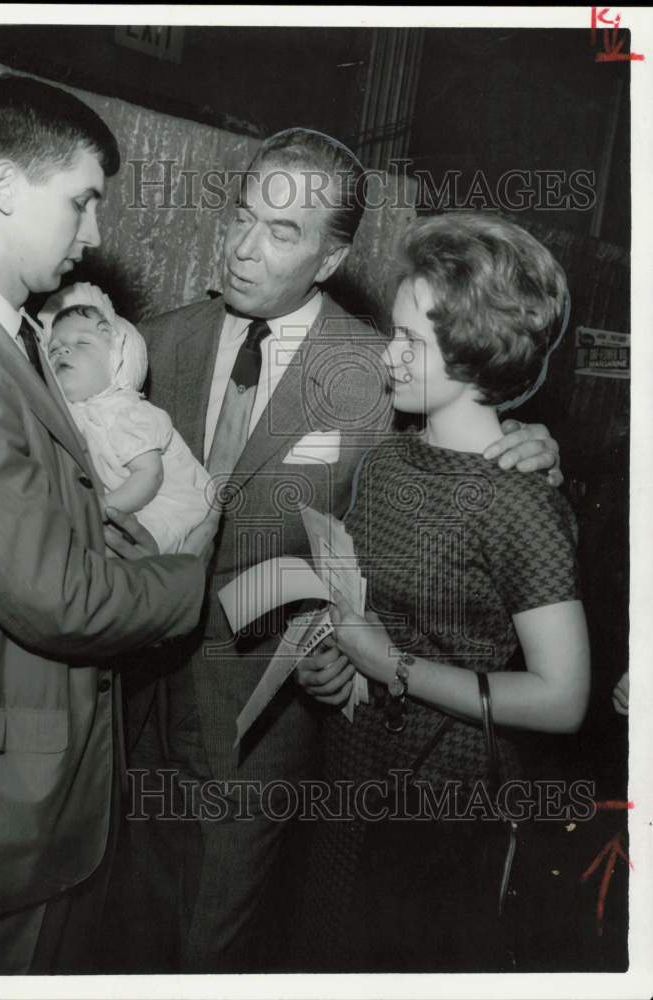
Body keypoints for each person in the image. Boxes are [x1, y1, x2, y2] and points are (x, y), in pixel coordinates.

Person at [109, 130, 564, 972]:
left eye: (282, 234)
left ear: (330, 258)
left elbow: (465, 448)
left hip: (263, 725)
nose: (244, 249)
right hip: (134, 707)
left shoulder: (381, 367)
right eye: (242, 218)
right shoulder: (155, 342)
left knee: (211, 952)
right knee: (129, 935)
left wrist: (532, 444)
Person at [0, 73, 210, 975]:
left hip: (32, 806)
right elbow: (55, 595)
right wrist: (192, 581)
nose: (96, 233)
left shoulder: (10, 342)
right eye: (83, 201)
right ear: (6, 189)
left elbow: (62, 524)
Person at [295, 212, 590, 971]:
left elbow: (563, 699)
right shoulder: (387, 464)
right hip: (351, 772)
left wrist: (395, 667)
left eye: (410, 341)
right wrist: (331, 662)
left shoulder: (519, 499)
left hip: (444, 804)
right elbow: (357, 613)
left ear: (476, 352)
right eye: (393, 332)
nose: (387, 357)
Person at [40, 283, 212, 554]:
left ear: (118, 357)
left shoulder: (126, 412)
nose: (63, 351)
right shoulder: (75, 414)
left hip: (173, 505)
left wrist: (100, 508)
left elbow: (149, 475)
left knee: (120, 551)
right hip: (129, 502)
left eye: (81, 343)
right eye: (55, 349)